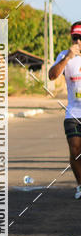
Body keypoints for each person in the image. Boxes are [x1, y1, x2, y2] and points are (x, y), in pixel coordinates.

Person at [48, 21, 81, 198]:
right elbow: (52, 76)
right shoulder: (64, 56)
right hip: (73, 113)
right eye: (75, 38)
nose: (78, 42)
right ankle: (80, 185)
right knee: (75, 150)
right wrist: (67, 58)